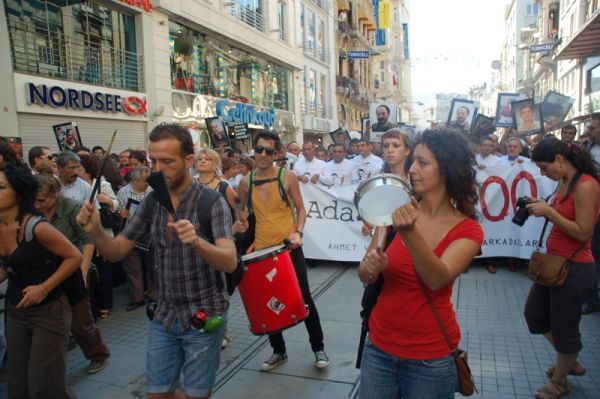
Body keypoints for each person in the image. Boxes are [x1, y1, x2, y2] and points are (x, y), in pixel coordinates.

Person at [77, 123, 237, 399]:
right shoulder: (152, 202)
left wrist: (197, 242)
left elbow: (230, 262)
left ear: (189, 161)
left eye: (167, 161)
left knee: (196, 394)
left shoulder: (211, 202)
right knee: (157, 393)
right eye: (154, 161)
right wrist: (94, 231)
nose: (158, 169)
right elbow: (116, 250)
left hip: (204, 314)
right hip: (164, 315)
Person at [357, 128, 483, 399]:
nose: (412, 169)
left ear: (447, 170)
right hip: (378, 347)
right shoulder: (393, 209)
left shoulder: (468, 230)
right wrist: (370, 268)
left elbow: (437, 278)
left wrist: (409, 231)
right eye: (413, 160)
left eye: (423, 163)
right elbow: (365, 272)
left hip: (430, 358)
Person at [238, 131, 329, 372]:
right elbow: (243, 214)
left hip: (288, 249)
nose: (263, 155)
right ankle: (279, 351)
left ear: (277, 153)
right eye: (259, 150)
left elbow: (301, 209)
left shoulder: (287, 177)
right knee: (268, 302)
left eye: (269, 150)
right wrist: (240, 223)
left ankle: (318, 347)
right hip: (261, 251)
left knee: (304, 298)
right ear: (253, 151)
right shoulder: (245, 181)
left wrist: (297, 232)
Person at [523, 136, 600, 399]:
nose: (543, 173)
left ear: (560, 159)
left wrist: (549, 213)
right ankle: (569, 359)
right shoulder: (563, 182)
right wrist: (540, 204)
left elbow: (583, 232)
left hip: (575, 266)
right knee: (535, 315)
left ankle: (560, 381)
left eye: (544, 167)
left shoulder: (586, 185)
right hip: (554, 264)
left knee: (565, 325)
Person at [0, 163, 82, 398]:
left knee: (43, 385)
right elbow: (8, 266)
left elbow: (74, 256)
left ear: (18, 192)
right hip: (16, 310)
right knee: (17, 384)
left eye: (0, 187)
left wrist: (43, 289)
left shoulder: (36, 227)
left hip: (49, 311)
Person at [35, 173, 111, 374]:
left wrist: (83, 270)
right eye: (35, 200)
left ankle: (97, 354)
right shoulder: (31, 211)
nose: (38, 205)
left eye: (43, 200)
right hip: (44, 270)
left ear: (56, 195)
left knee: (81, 321)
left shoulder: (71, 207)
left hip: (72, 268)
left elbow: (87, 241)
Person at [117, 166, 154, 311]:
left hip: (150, 234)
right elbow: (117, 209)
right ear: (134, 180)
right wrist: (121, 213)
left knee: (152, 266)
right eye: (145, 181)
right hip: (130, 234)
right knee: (133, 268)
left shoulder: (152, 191)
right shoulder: (123, 192)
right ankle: (137, 298)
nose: (147, 183)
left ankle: (153, 294)